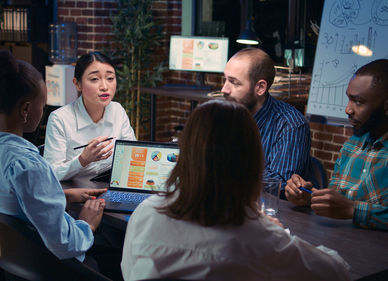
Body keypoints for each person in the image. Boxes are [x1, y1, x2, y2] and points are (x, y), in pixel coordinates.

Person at [121, 99, 351, 281]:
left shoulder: (146, 213)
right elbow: (338, 272)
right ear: (252, 160)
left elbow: (128, 270)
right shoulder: (260, 239)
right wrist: (277, 234)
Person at [0, 50, 107, 264]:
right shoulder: (27, 166)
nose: (42, 113)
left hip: (22, 259)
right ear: (26, 109)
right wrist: (88, 224)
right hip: (54, 266)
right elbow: (65, 244)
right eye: (42, 105)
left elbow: (11, 200)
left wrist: (60, 195)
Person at [285, 59, 388, 231]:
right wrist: (310, 197)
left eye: (359, 102)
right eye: (349, 99)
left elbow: (347, 209)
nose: (348, 109)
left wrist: (353, 210)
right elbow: (338, 203)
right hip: (340, 243)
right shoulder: (351, 146)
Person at [221, 47, 312, 196]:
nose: (224, 89)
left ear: (260, 87)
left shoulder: (290, 124)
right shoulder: (226, 115)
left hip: (272, 212)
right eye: (225, 79)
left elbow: (280, 184)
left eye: (234, 82)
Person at [44, 51, 136, 181]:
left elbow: (132, 156)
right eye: (94, 79)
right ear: (77, 84)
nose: (104, 87)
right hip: (75, 193)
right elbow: (51, 173)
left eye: (110, 78)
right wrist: (83, 160)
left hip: (109, 187)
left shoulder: (117, 110)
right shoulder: (59, 119)